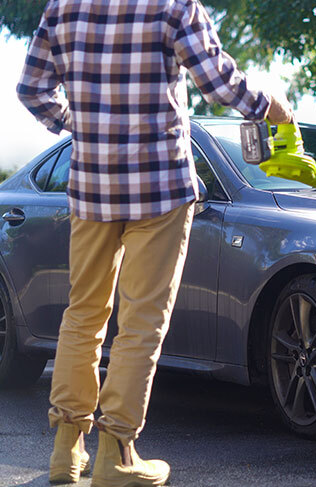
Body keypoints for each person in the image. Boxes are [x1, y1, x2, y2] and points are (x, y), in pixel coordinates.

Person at [16, 0, 292, 485]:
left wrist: (78, 125)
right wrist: (269, 105)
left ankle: (67, 448)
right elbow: (216, 80)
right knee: (142, 319)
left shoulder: (63, 9)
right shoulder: (173, 6)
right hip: (160, 188)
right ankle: (117, 454)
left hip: (93, 188)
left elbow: (32, 89)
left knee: (83, 313)